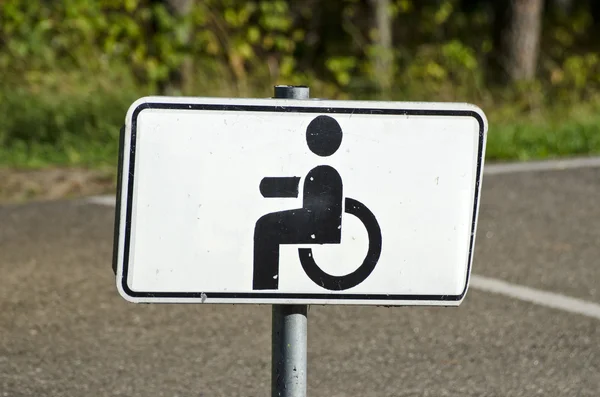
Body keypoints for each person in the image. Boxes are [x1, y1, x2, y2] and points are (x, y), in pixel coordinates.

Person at [253, 115, 344, 290]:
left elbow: (285, 187)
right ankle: (266, 287)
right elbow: (282, 187)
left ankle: (265, 287)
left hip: (319, 226)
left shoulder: (324, 172)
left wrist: (270, 185)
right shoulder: (321, 171)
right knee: (266, 225)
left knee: (266, 226)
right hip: (317, 220)